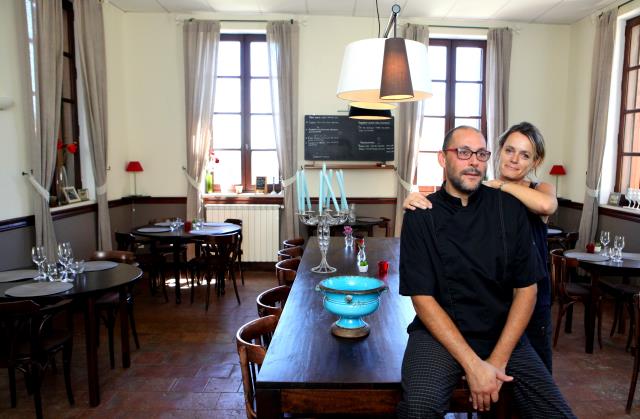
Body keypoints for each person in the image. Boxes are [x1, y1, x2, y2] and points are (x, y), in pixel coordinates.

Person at [398, 126, 574, 418]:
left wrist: (497, 360)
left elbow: (526, 290)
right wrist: (474, 365)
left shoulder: (510, 209)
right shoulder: (421, 215)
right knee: (418, 409)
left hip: (501, 335)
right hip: (438, 337)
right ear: (443, 159)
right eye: (463, 152)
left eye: (481, 154)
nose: (473, 161)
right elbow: (422, 299)